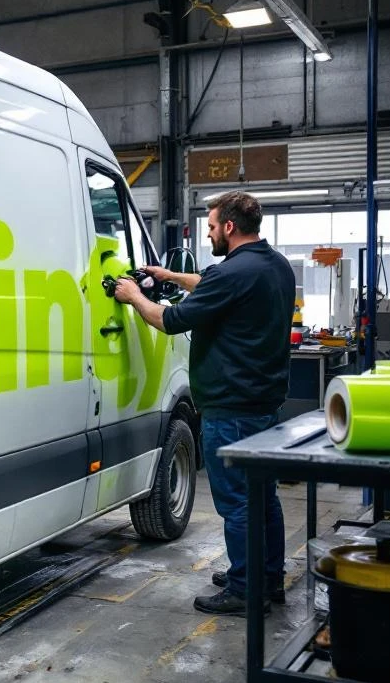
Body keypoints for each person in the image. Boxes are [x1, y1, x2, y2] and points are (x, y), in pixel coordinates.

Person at [113, 191, 296, 616]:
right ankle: (267, 578)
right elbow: (216, 284)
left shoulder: (232, 275)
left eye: (211, 227)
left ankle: (244, 590)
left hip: (231, 409)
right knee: (263, 496)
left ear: (229, 227)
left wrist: (133, 297)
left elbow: (169, 320)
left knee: (235, 503)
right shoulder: (274, 266)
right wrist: (170, 276)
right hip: (266, 405)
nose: (209, 233)